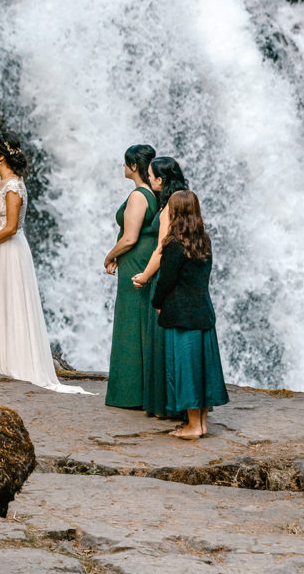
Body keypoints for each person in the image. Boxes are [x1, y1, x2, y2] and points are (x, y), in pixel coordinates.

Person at [0, 134, 90, 394]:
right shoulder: (1, 182)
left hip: (10, 250)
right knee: (1, 301)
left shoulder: (13, 186)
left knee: (14, 302)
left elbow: (11, 227)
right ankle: (3, 363)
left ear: (0, 156)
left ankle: (20, 364)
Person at [152, 190, 229, 437]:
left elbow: (166, 280)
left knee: (187, 370)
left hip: (182, 316)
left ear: (175, 213)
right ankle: (202, 424)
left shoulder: (174, 244)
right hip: (203, 313)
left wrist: (157, 302)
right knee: (203, 370)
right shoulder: (203, 240)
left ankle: (193, 426)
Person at [132, 155, 188, 418]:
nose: (149, 179)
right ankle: (177, 403)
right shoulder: (182, 201)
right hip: (182, 277)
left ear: (161, 180)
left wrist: (144, 276)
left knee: (163, 341)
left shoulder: (168, 208)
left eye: (152, 175)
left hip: (164, 276)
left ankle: (167, 405)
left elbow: (162, 248)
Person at [104, 144, 158, 409]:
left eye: (126, 163)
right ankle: (147, 392)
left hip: (135, 261)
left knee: (130, 322)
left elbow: (129, 238)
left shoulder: (139, 195)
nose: (123, 167)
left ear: (135, 166)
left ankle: (130, 394)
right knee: (143, 321)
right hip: (144, 260)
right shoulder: (156, 192)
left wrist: (109, 256)